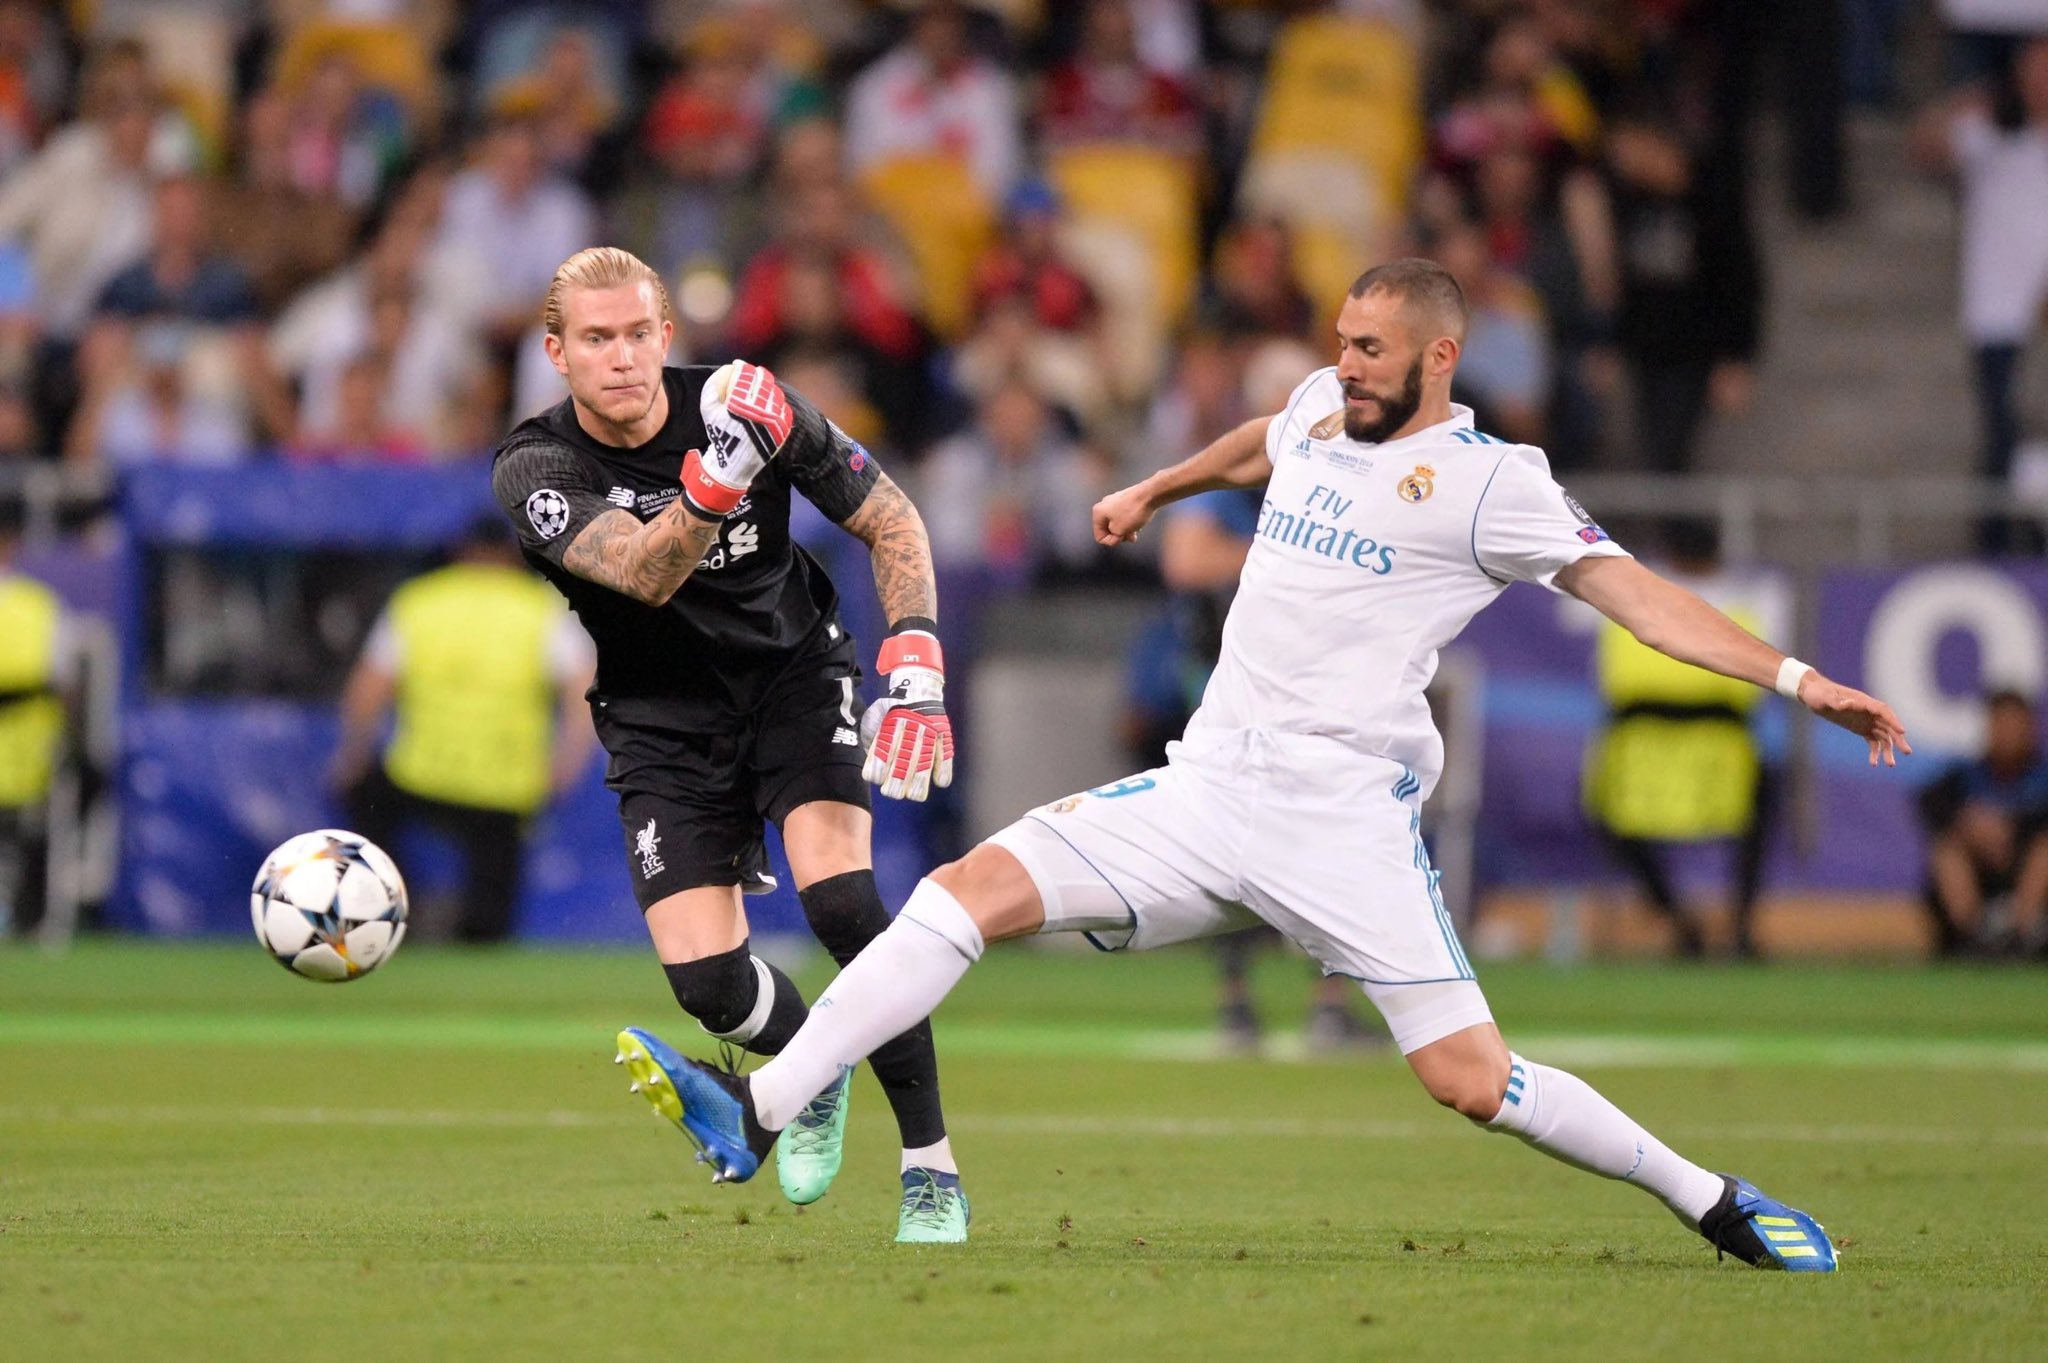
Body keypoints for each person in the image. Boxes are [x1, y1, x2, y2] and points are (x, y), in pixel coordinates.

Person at [633, 258, 1914, 1271]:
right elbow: (1264, 435)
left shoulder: (1488, 483)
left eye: (1368, 349)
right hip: (1206, 791)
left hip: (1342, 818)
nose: (1341, 366)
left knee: (1469, 1080)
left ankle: (1710, 1199)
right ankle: (758, 1111)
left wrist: (1801, 681)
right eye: (1338, 340)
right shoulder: (1316, 403)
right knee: (965, 889)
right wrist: (1157, 489)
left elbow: (1639, 601)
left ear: (1438, 355)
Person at [491, 246, 970, 1242]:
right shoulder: (535, 469)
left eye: (636, 333)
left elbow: (888, 517)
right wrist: (715, 482)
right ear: (556, 353)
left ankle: (931, 1165)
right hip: (660, 722)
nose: (619, 357)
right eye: (594, 339)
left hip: (793, 676)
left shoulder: (747, 402)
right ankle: (808, 1072)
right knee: (707, 985)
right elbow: (638, 570)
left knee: (843, 901)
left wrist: (915, 657)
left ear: (665, 336)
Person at [1154, 486, 1381, 1053]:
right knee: (1231, 849)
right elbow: (1185, 561)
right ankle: (1235, 1002)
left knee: (1333, 846)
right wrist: (1289, 553)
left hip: (1313, 695)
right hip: (1229, 702)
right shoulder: (1231, 494)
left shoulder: (1334, 491)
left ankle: (1328, 1006)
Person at [328, 515, 598, 942]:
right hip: (503, 785)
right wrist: (566, 762)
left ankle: (391, 907)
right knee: (490, 911)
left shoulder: (420, 600)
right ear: (512, 555)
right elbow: (583, 692)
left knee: (366, 801)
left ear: (460, 552)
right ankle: (478, 937)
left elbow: (368, 689)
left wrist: (353, 754)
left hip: (420, 773)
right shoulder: (539, 609)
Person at [1582, 520, 1782, 959]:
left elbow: (1617, 681)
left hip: (1643, 758)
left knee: (1605, 814)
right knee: (1766, 802)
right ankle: (1740, 930)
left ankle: (1677, 918)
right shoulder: (1748, 606)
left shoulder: (1633, 599)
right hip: (1719, 757)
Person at [1916, 689, 2048, 958]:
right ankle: (1975, 938)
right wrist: (1968, 825)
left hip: (2028, 872)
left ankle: (2019, 936)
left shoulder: (2042, 777)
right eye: (2000, 723)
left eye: (2015, 724)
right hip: (1981, 875)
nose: (2007, 733)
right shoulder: (1967, 776)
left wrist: (2011, 831)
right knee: (1947, 851)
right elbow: (1929, 805)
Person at [0, 504, 67, 936]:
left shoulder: (40, 604)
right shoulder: (40, 605)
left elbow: (61, 682)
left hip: (26, 759)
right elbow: (63, 682)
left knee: (28, 841)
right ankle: (27, 917)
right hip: (29, 759)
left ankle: (27, 916)